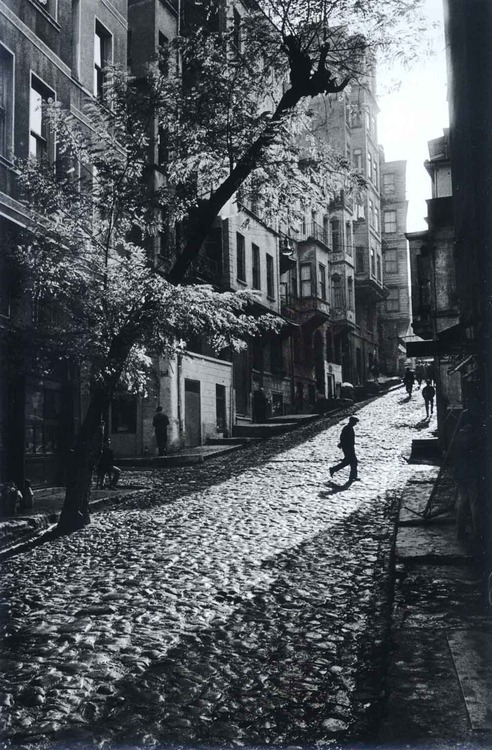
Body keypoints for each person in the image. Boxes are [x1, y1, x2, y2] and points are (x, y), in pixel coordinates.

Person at [329, 416, 359, 483]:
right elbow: (343, 438)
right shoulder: (347, 428)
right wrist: (343, 444)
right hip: (348, 448)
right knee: (351, 461)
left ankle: (353, 476)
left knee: (351, 462)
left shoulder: (349, 428)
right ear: (351, 422)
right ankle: (334, 469)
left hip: (349, 447)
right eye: (355, 422)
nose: (355, 424)